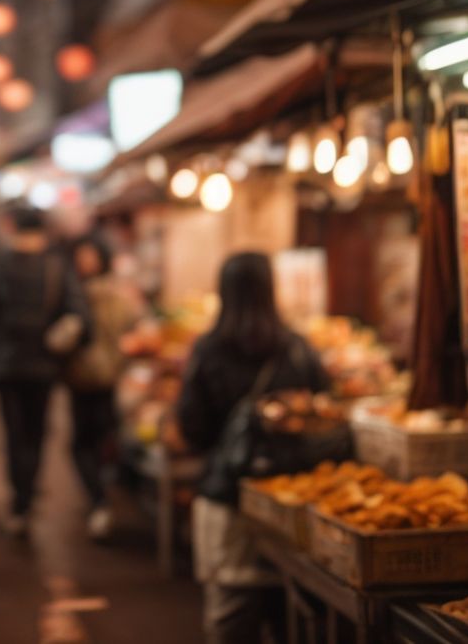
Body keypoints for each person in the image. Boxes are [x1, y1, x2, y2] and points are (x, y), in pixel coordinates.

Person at [174, 252, 328, 644]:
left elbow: (192, 430)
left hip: (228, 505)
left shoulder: (209, 349)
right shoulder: (297, 348)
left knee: (231, 618)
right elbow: (326, 413)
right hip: (290, 505)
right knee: (290, 621)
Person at [0, 203, 89, 536]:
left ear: (13, 229)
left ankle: (19, 500)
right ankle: (28, 492)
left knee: (12, 431)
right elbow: (78, 311)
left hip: (6, 363)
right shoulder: (56, 266)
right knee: (36, 432)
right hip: (44, 364)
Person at [63, 234, 145, 540]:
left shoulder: (77, 294)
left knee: (86, 440)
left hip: (86, 375)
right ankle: (103, 496)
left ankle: (99, 498)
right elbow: (133, 326)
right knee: (101, 435)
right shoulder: (121, 293)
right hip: (105, 374)